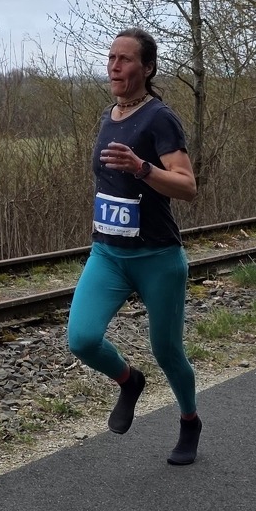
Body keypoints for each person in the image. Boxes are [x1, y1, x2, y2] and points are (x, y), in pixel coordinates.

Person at [66, 29, 203, 466]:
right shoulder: (107, 116)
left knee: (167, 351)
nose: (114, 66)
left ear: (147, 68)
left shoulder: (160, 118)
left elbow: (187, 186)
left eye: (125, 59)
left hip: (157, 257)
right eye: (111, 58)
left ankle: (189, 421)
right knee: (82, 338)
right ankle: (129, 381)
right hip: (108, 253)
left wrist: (143, 168)